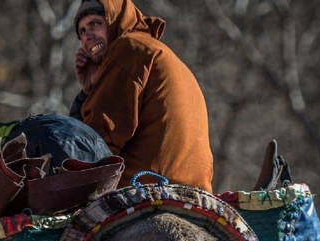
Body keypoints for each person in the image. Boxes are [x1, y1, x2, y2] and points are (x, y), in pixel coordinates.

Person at [71, 0, 214, 192]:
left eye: (95, 23)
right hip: (193, 190)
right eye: (81, 31)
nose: (87, 36)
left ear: (115, 20)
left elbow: (94, 145)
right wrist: (89, 91)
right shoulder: (152, 50)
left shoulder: (129, 47)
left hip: (145, 185)